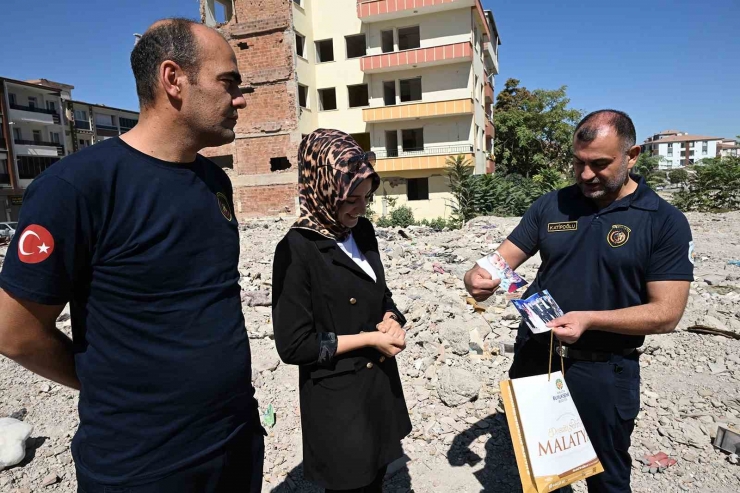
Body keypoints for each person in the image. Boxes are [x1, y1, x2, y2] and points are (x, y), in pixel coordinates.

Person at [0, 18, 264, 492]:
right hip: (142, 467)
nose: (240, 98)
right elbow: (14, 331)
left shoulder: (214, 183)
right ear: (173, 79)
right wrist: (102, 384)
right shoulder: (76, 188)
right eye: (229, 82)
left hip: (234, 444)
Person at [465, 110, 693, 492]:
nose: (586, 175)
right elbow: (497, 262)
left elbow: (667, 313)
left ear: (632, 155)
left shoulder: (663, 220)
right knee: (544, 475)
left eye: (600, 164)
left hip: (604, 372)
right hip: (538, 360)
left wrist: (591, 320)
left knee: (607, 479)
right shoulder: (551, 206)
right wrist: (477, 277)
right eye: (578, 162)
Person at [272, 129, 412, 493]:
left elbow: (382, 296)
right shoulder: (297, 249)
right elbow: (295, 346)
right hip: (338, 403)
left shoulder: (362, 232)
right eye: (350, 199)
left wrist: (391, 319)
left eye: (366, 198)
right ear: (322, 190)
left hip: (377, 390)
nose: (359, 208)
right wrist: (370, 339)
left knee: (376, 482)